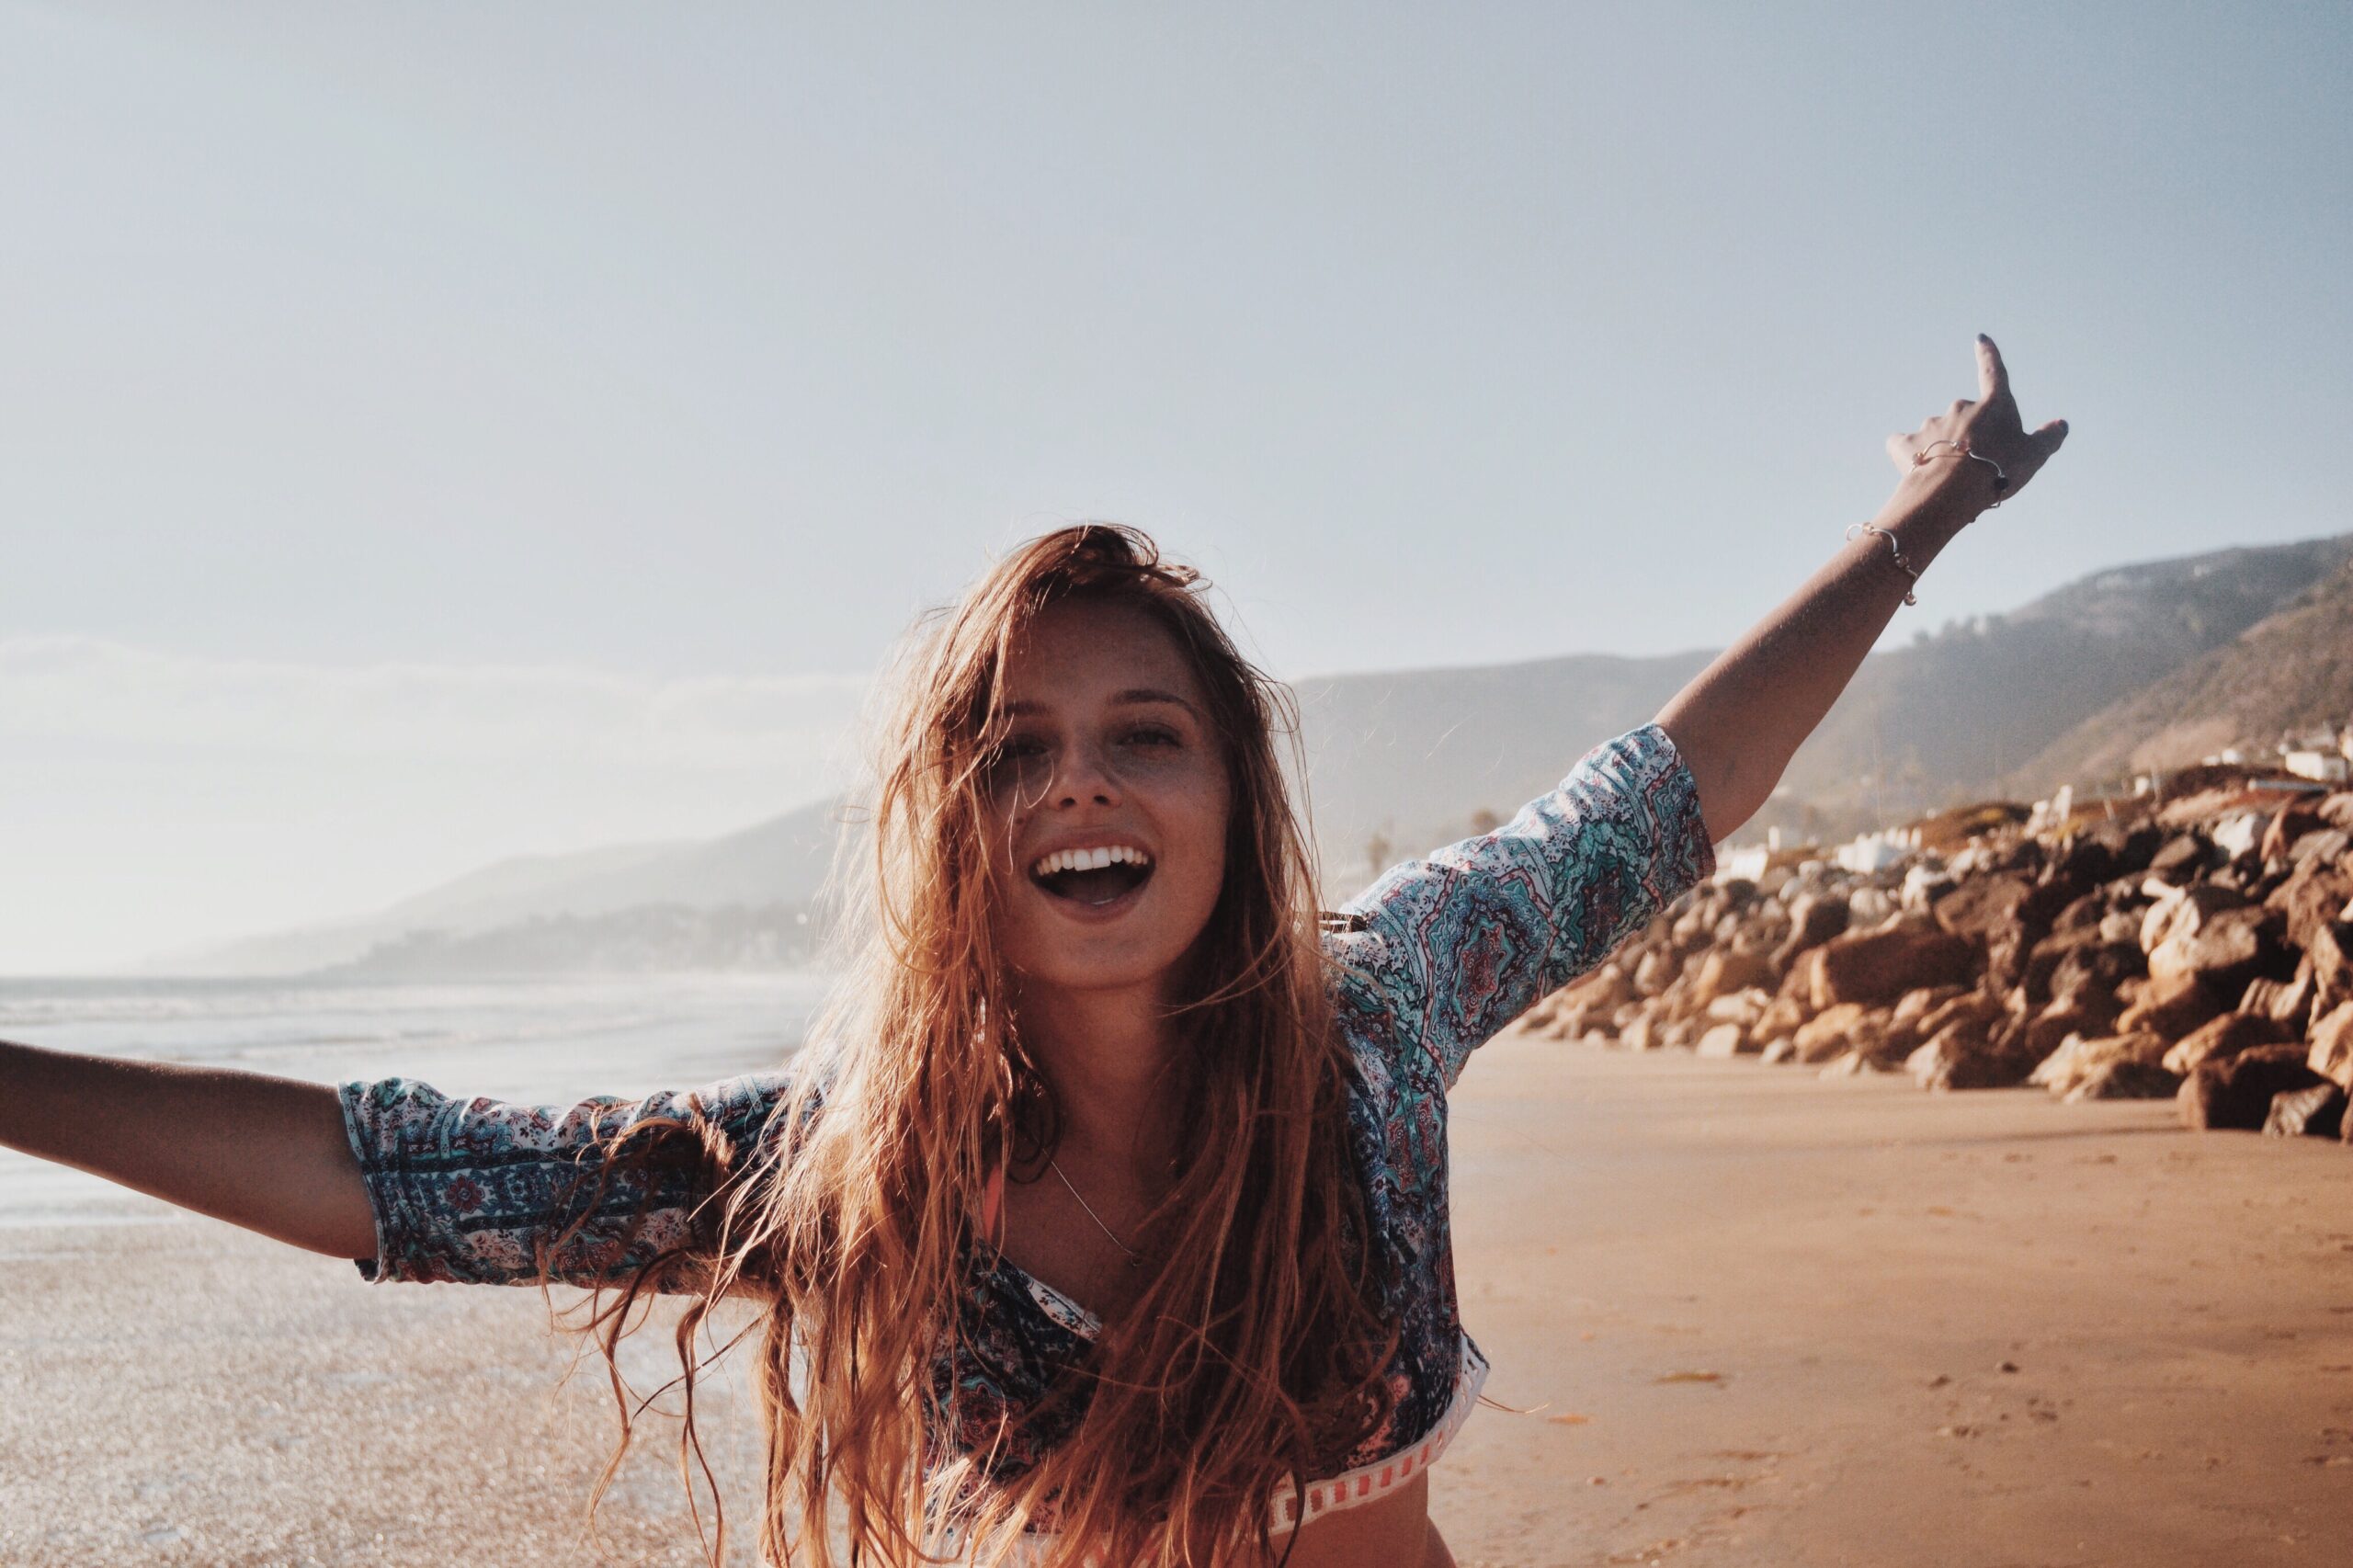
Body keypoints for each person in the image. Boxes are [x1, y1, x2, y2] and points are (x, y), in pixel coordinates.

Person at [0, 336, 2066, 1567]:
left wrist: (1924, 519)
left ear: (1236, 798)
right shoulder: (858, 1164)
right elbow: (404, 1170)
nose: (1080, 788)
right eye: (1014, 752)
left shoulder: (1379, 1011)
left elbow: (1657, 788)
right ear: (952, 833)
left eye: (1140, 737)